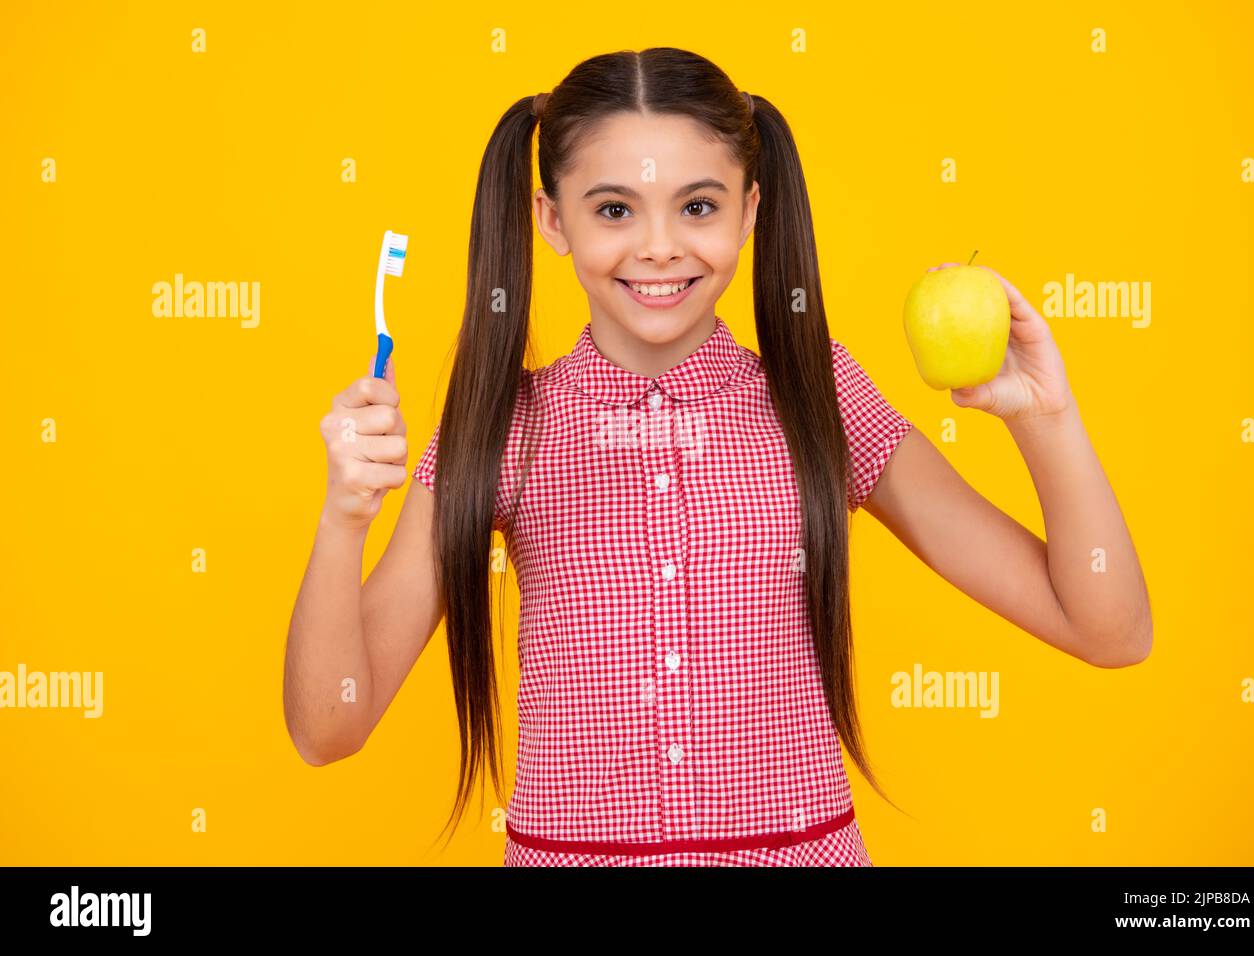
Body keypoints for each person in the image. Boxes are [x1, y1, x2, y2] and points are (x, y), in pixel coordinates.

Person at [284, 47, 1152, 867]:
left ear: (751, 210)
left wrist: (1047, 417)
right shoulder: (500, 424)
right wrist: (342, 519)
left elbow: (1107, 631)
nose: (660, 246)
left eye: (698, 206)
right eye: (614, 209)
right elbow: (328, 730)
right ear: (552, 220)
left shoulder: (818, 396)